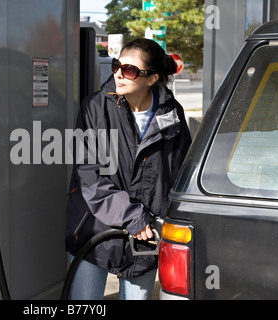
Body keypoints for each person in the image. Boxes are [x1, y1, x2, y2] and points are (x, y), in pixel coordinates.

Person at [65, 38, 192, 300]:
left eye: (130, 70)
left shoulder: (172, 114)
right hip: (94, 229)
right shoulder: (95, 108)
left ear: (151, 78)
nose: (119, 74)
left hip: (145, 236)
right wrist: (133, 217)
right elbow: (90, 175)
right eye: (116, 65)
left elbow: (182, 173)